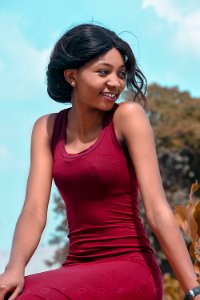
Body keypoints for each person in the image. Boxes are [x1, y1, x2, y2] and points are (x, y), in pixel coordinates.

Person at [0, 23, 199, 300]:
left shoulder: (127, 117)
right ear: (72, 76)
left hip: (131, 268)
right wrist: (14, 268)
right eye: (103, 72)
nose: (116, 83)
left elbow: (157, 210)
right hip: (77, 268)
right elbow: (34, 211)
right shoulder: (46, 128)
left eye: (120, 74)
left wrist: (194, 290)